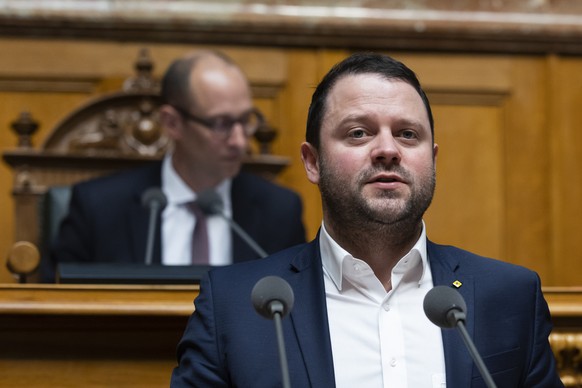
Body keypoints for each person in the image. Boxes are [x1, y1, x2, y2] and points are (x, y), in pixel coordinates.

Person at [170, 52, 563, 387]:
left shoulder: (510, 295)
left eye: (408, 134)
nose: (388, 150)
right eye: (359, 133)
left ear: (433, 159)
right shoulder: (235, 305)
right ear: (313, 162)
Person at [42, 50, 306, 282]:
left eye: (246, 120)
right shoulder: (98, 209)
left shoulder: (279, 212)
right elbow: (56, 309)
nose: (240, 140)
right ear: (172, 123)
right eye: (221, 124)